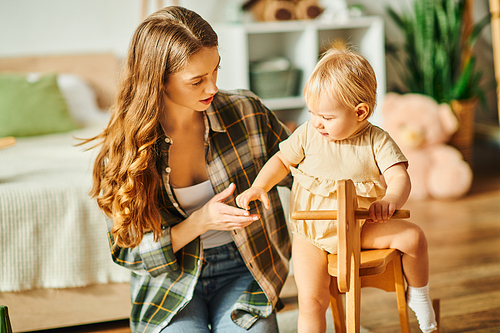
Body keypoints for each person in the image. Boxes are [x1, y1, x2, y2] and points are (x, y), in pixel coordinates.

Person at [83, 6, 292, 333]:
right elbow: (127, 251)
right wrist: (200, 222)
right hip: (170, 283)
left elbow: (305, 169)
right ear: (157, 80)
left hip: (245, 268)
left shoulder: (245, 111)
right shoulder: (127, 146)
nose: (212, 88)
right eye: (196, 81)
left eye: (215, 72)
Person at [236, 42, 438, 333]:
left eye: (327, 117)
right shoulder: (307, 133)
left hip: (360, 226)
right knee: (311, 301)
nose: (317, 123)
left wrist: (391, 198)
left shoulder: (375, 140)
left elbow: (399, 176)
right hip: (312, 235)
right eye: (312, 113)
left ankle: (418, 295)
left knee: (414, 238)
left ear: (360, 112)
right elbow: (281, 160)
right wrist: (259, 187)